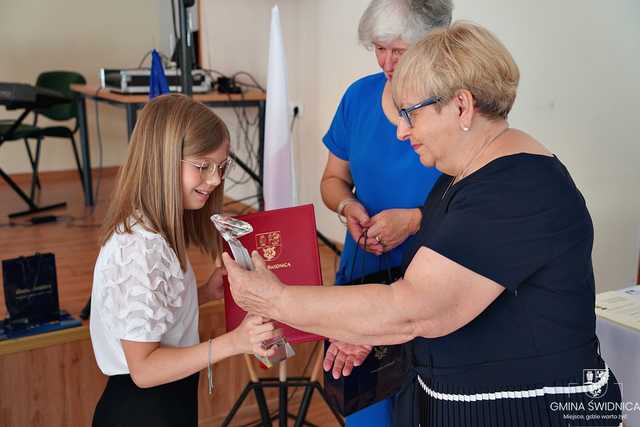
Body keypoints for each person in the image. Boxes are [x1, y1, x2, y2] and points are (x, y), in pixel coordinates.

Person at [223, 22, 623, 426]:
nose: (401, 131)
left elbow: (414, 309)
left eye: (410, 114)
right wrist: (369, 331)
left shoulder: (516, 189)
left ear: (462, 107)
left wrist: (275, 300)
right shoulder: (461, 178)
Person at [89, 94, 279, 427]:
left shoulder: (157, 235)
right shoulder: (139, 250)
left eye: (221, 167)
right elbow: (145, 370)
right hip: (141, 411)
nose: (216, 180)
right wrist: (234, 342)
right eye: (203, 166)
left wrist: (204, 292)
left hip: (169, 401)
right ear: (161, 160)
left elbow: (156, 320)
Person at [320, 0, 452, 423]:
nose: (388, 61)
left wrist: (414, 219)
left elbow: (480, 199)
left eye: (400, 49)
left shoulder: (454, 105)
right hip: (364, 273)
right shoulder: (358, 97)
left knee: (429, 409)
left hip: (434, 277)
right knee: (365, 408)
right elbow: (331, 181)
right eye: (380, 48)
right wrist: (348, 206)